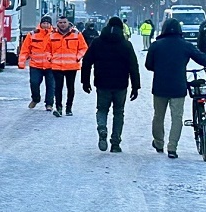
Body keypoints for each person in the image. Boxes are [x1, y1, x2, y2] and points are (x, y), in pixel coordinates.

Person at [144, 17, 206, 159]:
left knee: (158, 116)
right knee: (177, 117)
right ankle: (172, 147)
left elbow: (148, 65)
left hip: (160, 86)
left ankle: (159, 143)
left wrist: (159, 68)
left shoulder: (156, 45)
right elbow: (202, 58)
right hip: (178, 86)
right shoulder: (185, 45)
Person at [80, 16, 140, 152]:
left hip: (102, 83)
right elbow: (133, 66)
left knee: (102, 109)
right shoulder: (126, 44)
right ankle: (115, 143)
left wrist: (85, 81)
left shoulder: (97, 42)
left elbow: (87, 62)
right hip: (121, 84)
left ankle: (102, 127)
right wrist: (136, 86)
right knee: (119, 113)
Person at [48, 15, 88, 116]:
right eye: (60, 23)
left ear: (68, 23)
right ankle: (59, 108)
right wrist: (50, 57)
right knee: (58, 88)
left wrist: (78, 57)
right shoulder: (52, 35)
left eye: (64, 22)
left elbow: (83, 48)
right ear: (57, 23)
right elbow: (47, 49)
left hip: (71, 66)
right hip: (57, 65)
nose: (62, 24)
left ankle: (69, 108)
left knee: (70, 87)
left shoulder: (76, 34)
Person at [18, 15, 56, 109]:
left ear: (50, 25)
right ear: (40, 24)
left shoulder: (55, 35)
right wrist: (21, 62)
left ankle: (49, 104)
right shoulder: (32, 34)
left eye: (47, 23)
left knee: (51, 86)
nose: (45, 25)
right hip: (36, 65)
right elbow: (25, 49)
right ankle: (35, 99)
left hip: (51, 65)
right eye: (44, 23)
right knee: (34, 83)